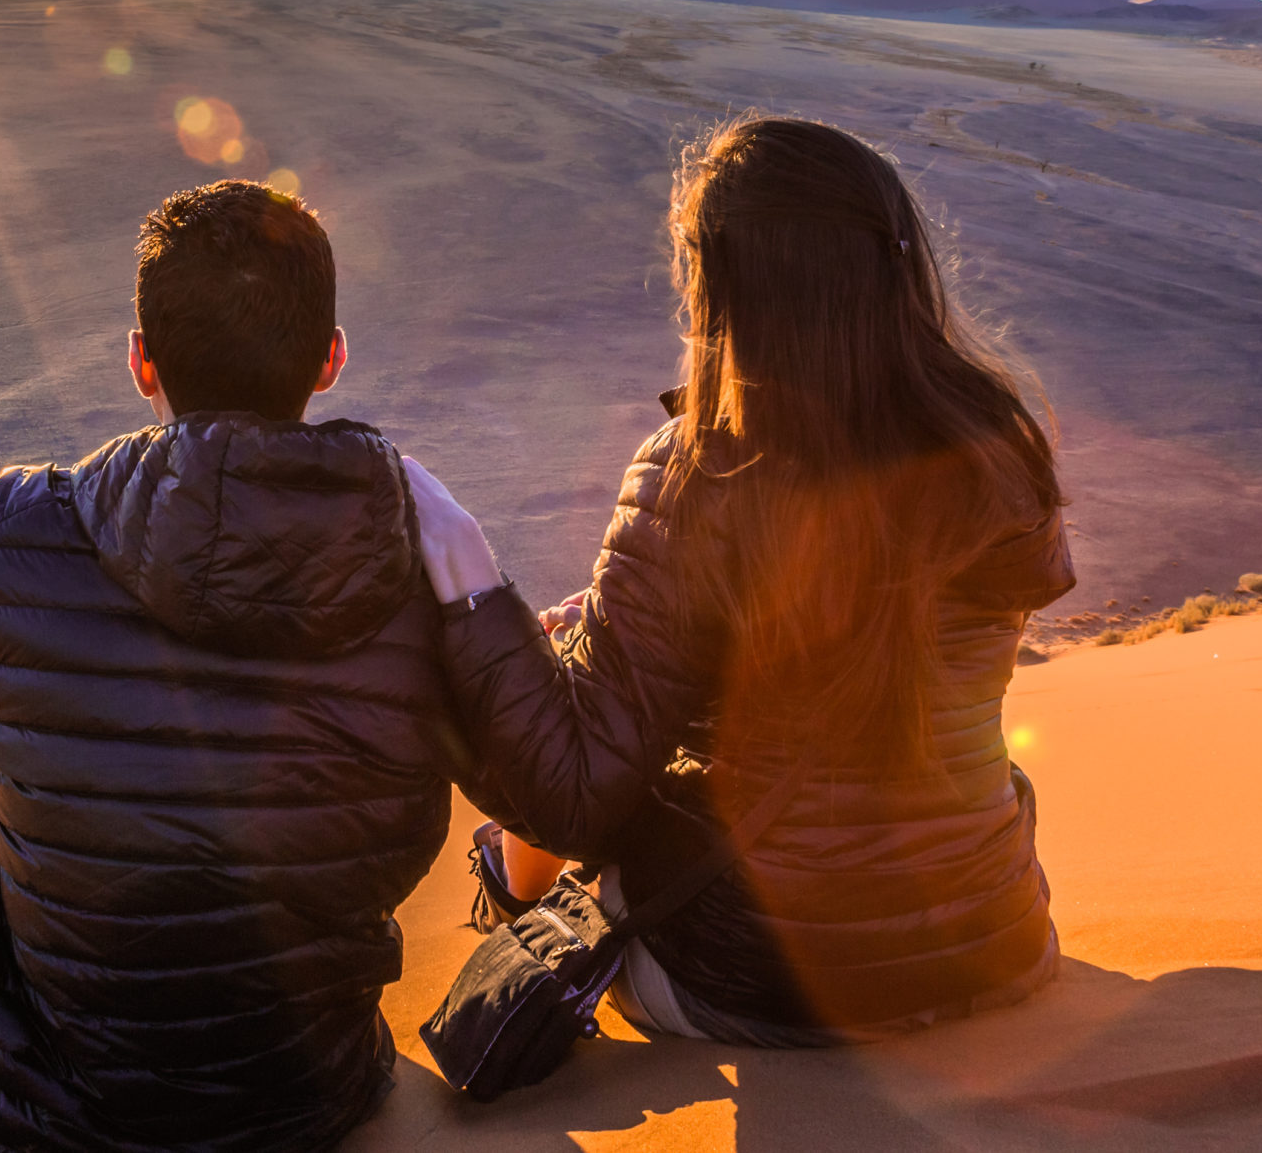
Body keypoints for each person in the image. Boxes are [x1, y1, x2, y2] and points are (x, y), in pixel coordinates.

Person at [0, 180, 465, 1153]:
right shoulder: (421, 548)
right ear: (330, 359)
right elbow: (534, 765)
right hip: (309, 1095)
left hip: (25, 1123)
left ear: (140, 362)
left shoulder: (1, 536)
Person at [405, 114, 1073, 1045]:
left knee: (581, 812)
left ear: (720, 283)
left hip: (761, 980)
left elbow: (574, 792)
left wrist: (483, 610)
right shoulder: (1000, 450)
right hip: (998, 943)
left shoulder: (700, 475)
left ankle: (508, 900)